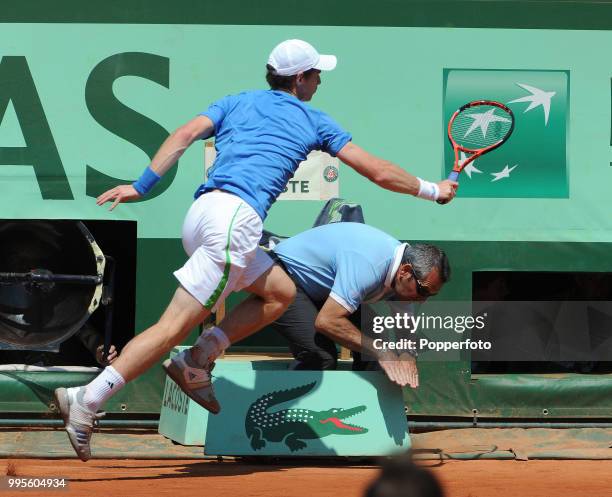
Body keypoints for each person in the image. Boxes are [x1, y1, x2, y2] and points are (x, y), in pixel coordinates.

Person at [54, 39, 458, 461]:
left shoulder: (236, 101)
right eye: (317, 74)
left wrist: (143, 186)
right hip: (236, 224)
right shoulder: (314, 119)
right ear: (300, 78)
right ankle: (89, 398)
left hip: (203, 214)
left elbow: (185, 134)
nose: (320, 81)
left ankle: (199, 357)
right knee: (170, 327)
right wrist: (433, 190)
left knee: (280, 292)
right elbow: (376, 171)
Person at [269, 222, 450, 387]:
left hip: (322, 289)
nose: (423, 299)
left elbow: (404, 328)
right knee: (321, 357)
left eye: (430, 295)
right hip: (282, 277)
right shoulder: (370, 266)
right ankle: (288, 415)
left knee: (378, 338)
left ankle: (365, 416)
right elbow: (327, 321)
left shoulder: (406, 275)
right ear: (405, 271)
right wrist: (381, 351)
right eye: (423, 291)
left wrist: (407, 356)